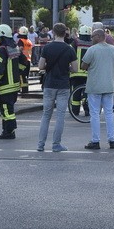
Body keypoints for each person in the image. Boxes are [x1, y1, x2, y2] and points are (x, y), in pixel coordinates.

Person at [36, 22, 76, 153]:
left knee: (46, 115)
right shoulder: (69, 49)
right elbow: (75, 69)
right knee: (60, 116)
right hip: (63, 85)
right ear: (65, 33)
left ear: (53, 33)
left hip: (49, 84)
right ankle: (56, 144)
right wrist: (66, 67)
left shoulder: (47, 48)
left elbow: (41, 66)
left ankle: (40, 144)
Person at [81, 28, 114, 150]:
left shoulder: (92, 50)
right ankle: (112, 140)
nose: (91, 38)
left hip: (94, 86)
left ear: (98, 36)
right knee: (109, 113)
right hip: (109, 86)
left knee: (94, 114)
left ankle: (95, 141)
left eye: (93, 36)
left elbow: (83, 66)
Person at [0, 24, 30, 139]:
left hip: (5, 86)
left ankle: (9, 131)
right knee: (8, 109)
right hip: (14, 85)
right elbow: (24, 62)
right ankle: (7, 130)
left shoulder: (2, 50)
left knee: (7, 110)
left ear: (2, 36)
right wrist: (17, 71)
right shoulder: (14, 47)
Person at [69, 24, 92, 116]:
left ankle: (75, 111)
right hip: (89, 73)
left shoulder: (75, 43)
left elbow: (70, 55)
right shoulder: (92, 44)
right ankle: (87, 110)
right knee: (88, 93)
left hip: (76, 73)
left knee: (76, 93)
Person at [17, 26, 33, 95]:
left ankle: (22, 90)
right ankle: (25, 89)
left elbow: (20, 49)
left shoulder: (21, 41)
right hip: (28, 60)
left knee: (21, 74)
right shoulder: (29, 41)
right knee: (26, 75)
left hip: (22, 60)